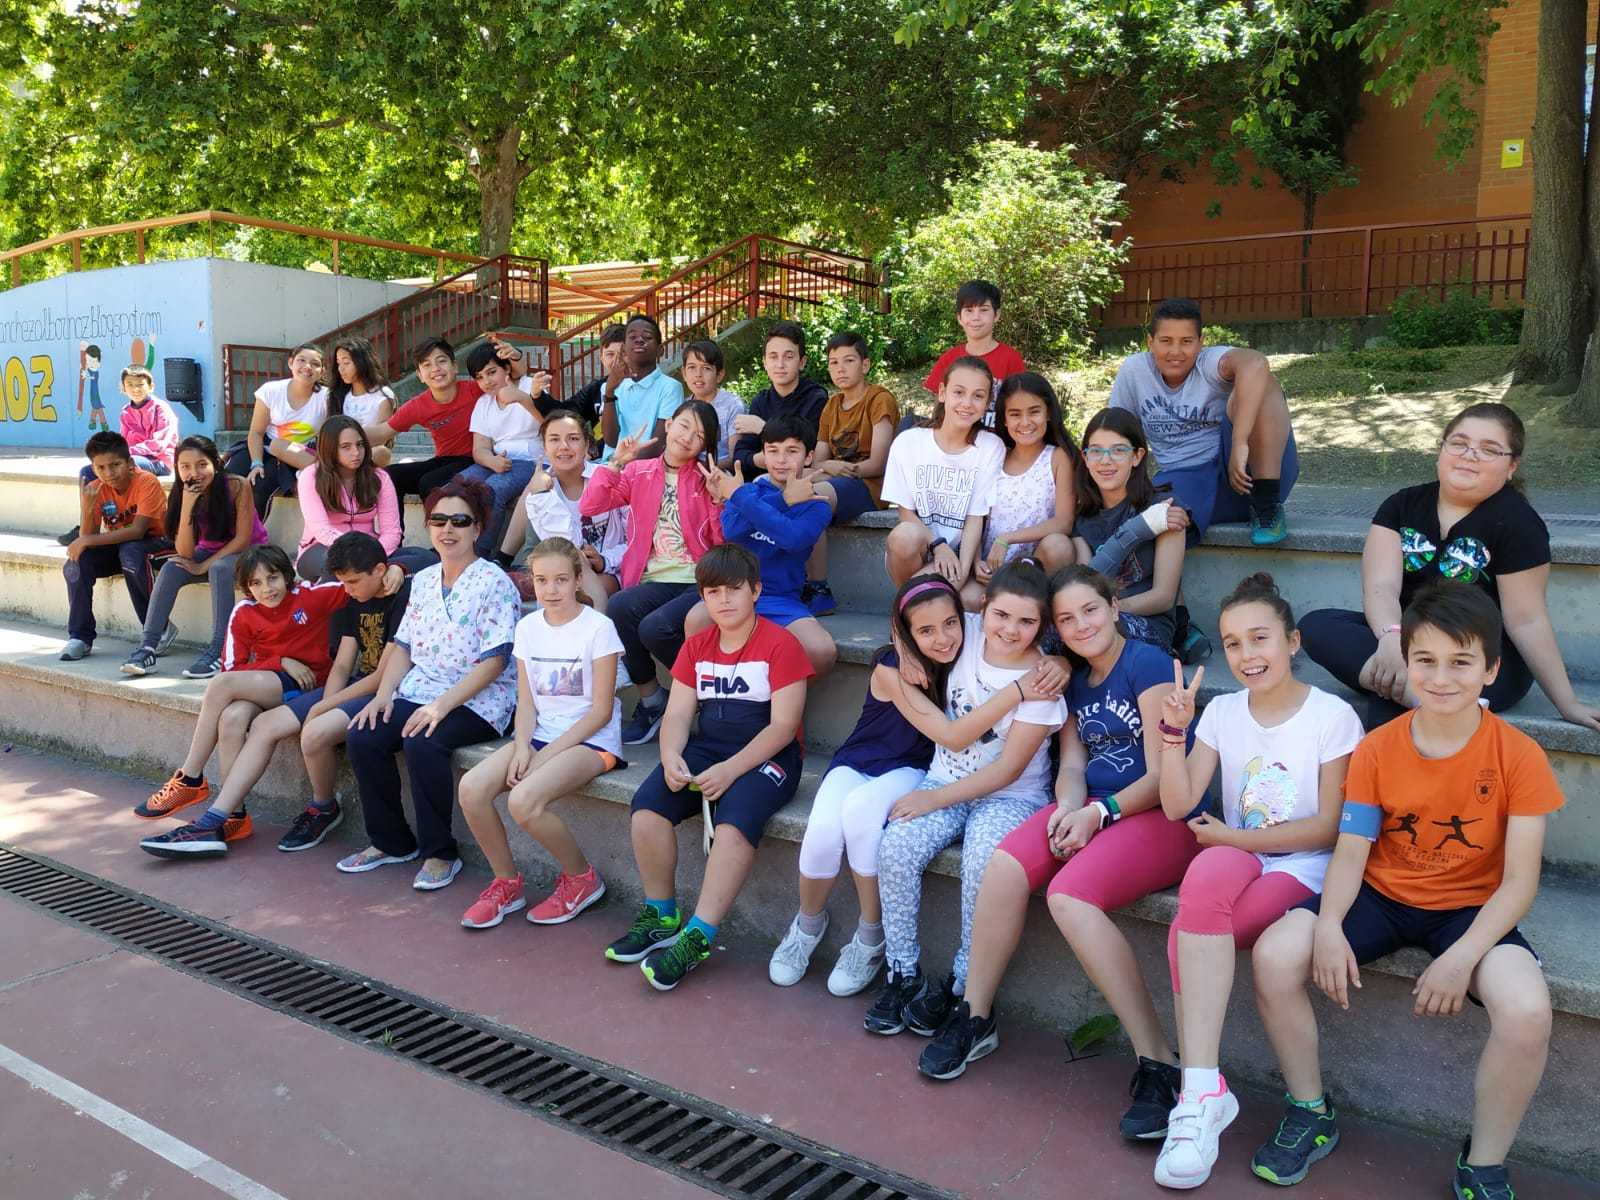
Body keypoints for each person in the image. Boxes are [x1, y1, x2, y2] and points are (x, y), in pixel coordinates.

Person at [1249, 584, 1561, 1198]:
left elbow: (1520, 881)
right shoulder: (1377, 749)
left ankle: (1483, 1163)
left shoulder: (1520, 757)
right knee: (1276, 953)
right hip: (1380, 895)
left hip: (1470, 909)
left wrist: (1463, 957)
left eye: (1460, 662)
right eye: (1426, 660)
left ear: (1491, 669)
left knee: (1527, 1010)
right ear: (1407, 663)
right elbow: (1352, 849)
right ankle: (1310, 1110)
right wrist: (1330, 925)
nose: (1441, 678)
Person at [922, 567, 1197, 1115]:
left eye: (1091, 610)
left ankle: (1159, 1060)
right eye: (1067, 619)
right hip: (1091, 805)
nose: (1081, 625)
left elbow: (1165, 775)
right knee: (1005, 862)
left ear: (1114, 607)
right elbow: (1073, 762)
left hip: (1159, 815)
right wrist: (1069, 806)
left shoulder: (1147, 665)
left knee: (1068, 896)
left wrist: (1099, 812)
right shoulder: (1069, 678)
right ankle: (975, 1015)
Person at [1148, 574, 1362, 1189]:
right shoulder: (1220, 711)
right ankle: (1202, 1090)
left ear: (1292, 641)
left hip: (1302, 865)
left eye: (1260, 638)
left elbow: (1327, 828)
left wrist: (1233, 839)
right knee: (1205, 875)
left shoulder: (1332, 716)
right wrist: (1173, 732)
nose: (1247, 655)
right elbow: (1177, 805)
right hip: (1241, 854)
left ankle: (1198, 1095)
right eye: (1233, 643)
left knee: (1187, 933)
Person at [769, 573, 1061, 997]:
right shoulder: (897, 663)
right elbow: (954, 735)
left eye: (950, 624)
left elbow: (949, 609)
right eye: (924, 631)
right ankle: (816, 929)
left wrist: (1058, 664)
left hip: (929, 772)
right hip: (879, 760)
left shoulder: (978, 639)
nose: (942, 638)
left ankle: (895, 947)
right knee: (825, 831)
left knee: (873, 818)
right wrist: (1017, 689)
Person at [1299, 401, 1599, 734]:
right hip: (1409, 638)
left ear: (1511, 465)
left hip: (1480, 656)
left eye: (1489, 450)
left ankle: (1415, 692)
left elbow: (1526, 620)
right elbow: (1382, 587)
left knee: (1393, 689)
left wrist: (1567, 703)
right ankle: (1433, 697)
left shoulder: (1518, 523)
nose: (1470, 455)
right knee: (1318, 626)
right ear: (1441, 449)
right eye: (1459, 443)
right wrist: (1391, 639)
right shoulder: (1402, 506)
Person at [864, 561, 1067, 1040]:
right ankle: (902, 971)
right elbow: (916, 607)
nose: (1010, 630)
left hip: (1009, 798)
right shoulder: (965, 632)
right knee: (895, 847)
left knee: (981, 863)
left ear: (1043, 626)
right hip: (944, 780)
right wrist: (903, 646)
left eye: (1027, 621)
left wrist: (932, 800)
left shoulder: (1042, 682)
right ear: (982, 608)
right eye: (1001, 615)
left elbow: (1007, 770)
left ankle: (961, 981)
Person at [602, 544, 814, 991]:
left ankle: (698, 936)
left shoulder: (781, 644)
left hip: (769, 756)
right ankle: (661, 916)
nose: (724, 600)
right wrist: (669, 755)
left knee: (735, 824)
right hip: (709, 747)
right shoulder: (697, 646)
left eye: (734, 589)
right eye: (713, 592)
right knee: (648, 808)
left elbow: (783, 727)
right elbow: (678, 714)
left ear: (755, 591)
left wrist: (732, 770)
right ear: (701, 597)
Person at [138, 535, 408, 858]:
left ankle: (191, 778)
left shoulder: (320, 595)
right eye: (256, 583)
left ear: (287, 575)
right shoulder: (244, 612)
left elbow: (375, 573)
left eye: (273, 578)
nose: (267, 588)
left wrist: (398, 567)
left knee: (221, 686)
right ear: (246, 588)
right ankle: (231, 817)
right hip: (273, 683)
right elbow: (234, 668)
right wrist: (281, 662)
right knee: (233, 715)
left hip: (314, 685)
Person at [338, 480, 519, 890]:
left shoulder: (494, 582)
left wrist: (441, 706)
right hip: (422, 689)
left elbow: (495, 661)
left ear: (478, 529)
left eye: (460, 521)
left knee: (423, 739)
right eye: (439, 520)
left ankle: (440, 852)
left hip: (480, 699)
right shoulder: (421, 580)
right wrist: (383, 696)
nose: (448, 529)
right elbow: (403, 646)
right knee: (364, 733)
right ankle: (391, 842)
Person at [457, 537, 627, 929]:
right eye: (541, 580)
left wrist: (545, 756)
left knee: (524, 801)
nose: (550, 590)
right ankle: (506, 884)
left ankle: (582, 879)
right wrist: (521, 747)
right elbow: (527, 703)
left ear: (578, 580)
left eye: (561, 580)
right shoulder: (528, 627)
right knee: (471, 788)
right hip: (539, 735)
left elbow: (601, 712)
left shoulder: (598, 628)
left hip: (592, 740)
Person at [581, 399, 723, 745]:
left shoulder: (707, 479)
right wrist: (616, 463)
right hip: (652, 579)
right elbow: (591, 505)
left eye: (699, 435)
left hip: (696, 580)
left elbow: (722, 541)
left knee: (655, 628)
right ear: (669, 424)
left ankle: (706, 695)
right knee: (618, 608)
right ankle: (653, 700)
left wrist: (720, 499)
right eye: (684, 425)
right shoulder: (639, 472)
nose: (688, 437)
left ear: (705, 445)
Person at [1108, 297, 1298, 546]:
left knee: (1265, 383)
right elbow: (1115, 433)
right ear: (1150, 342)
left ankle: (1268, 508)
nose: (1176, 351)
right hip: (1185, 478)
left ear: (1201, 343)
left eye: (1186, 341)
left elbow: (1256, 362)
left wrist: (1240, 442)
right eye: (1166, 341)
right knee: (1156, 519)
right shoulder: (1135, 370)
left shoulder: (1210, 363)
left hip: (1248, 472)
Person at [696, 415, 837, 675]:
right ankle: (710, 691)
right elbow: (732, 530)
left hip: (781, 599)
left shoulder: (817, 505)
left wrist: (740, 497)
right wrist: (783, 500)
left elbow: (791, 539)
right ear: (763, 454)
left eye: (791, 451)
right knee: (695, 619)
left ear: (808, 457)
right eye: (773, 451)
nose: (781, 459)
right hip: (734, 591)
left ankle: (777, 695)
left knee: (821, 651)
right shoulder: (749, 492)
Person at [120, 436, 268, 680]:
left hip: (249, 552)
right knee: (171, 568)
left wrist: (204, 565)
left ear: (215, 464)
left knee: (219, 568)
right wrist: (188, 505)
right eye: (185, 466)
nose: (194, 473)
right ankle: (147, 647)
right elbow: (185, 553)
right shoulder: (182, 493)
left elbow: (242, 539)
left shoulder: (237, 486)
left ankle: (219, 649)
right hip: (208, 552)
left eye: (202, 465)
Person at [881, 356, 1006, 592]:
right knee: (903, 536)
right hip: (919, 547)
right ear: (942, 393)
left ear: (988, 401)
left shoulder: (990, 447)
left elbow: (975, 516)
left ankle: (909, 606)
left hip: (961, 551)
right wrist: (938, 545)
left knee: (969, 598)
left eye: (978, 396)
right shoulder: (908, 442)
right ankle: (907, 604)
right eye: (959, 392)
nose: (967, 403)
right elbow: (906, 514)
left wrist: (963, 569)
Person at [1071, 408, 1189, 654]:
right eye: (1096, 451)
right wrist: (1137, 529)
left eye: (1118, 450)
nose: (1105, 460)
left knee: (1094, 630)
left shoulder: (1164, 508)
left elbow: (1163, 596)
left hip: (1147, 623)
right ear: (1085, 458)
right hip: (1096, 619)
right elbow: (1086, 587)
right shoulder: (1083, 518)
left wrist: (1108, 612)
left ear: (1137, 456)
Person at [804, 331, 900, 616]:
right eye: (834, 363)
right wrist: (829, 467)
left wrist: (834, 467)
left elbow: (878, 463)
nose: (840, 369)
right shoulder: (832, 405)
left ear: (865, 364)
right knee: (784, 488)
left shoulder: (879, 399)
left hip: (870, 485)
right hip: (837, 479)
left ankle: (819, 588)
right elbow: (819, 460)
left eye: (849, 360)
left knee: (812, 498)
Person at [965, 372, 1078, 612]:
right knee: (966, 600)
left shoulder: (1057, 457)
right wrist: (975, 561)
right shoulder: (996, 455)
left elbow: (1064, 522)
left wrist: (1008, 538)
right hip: (992, 567)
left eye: (1034, 412)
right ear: (1004, 419)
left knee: (1059, 545)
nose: (1025, 422)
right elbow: (977, 515)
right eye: (1015, 414)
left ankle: (1041, 613)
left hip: (1035, 567)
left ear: (1048, 413)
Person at [496, 410, 626, 612]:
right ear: (544, 447)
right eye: (554, 439)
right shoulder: (539, 493)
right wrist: (541, 495)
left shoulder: (609, 480)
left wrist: (604, 560)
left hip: (610, 571)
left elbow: (633, 541)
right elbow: (565, 546)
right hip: (559, 576)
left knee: (577, 593)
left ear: (587, 445)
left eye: (573, 438)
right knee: (565, 585)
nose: (564, 446)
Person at [58, 431, 172, 663]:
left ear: (129, 463)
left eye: (115, 465)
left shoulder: (146, 481)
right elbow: (87, 536)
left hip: (160, 544)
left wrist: (85, 540)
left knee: (131, 551)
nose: (108, 473)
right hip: (123, 548)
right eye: (100, 467)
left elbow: (137, 531)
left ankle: (158, 628)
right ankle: (80, 636)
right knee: (79, 561)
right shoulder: (96, 488)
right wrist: (87, 508)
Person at [365, 338, 513, 507]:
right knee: (389, 476)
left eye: (441, 361)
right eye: (427, 365)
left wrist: (515, 357)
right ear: (420, 375)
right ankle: (393, 525)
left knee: (430, 483)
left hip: (476, 459)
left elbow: (508, 377)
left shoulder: (475, 389)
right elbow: (382, 432)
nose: (435, 369)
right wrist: (346, 432)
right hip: (444, 460)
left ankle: (439, 522)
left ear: (455, 367)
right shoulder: (418, 406)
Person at [61, 367, 179, 543]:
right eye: (130, 385)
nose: (135, 389)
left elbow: (159, 443)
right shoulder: (126, 411)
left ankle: (131, 519)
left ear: (151, 386)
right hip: (134, 455)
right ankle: (87, 521)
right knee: (88, 471)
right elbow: (122, 441)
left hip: (158, 459)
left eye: (140, 384)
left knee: (124, 464)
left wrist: (126, 454)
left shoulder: (161, 409)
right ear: (123, 388)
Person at [455, 341, 546, 554]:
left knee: (492, 489)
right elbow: (480, 448)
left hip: (531, 460)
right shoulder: (484, 403)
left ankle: (479, 553)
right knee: (457, 485)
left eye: (491, 372)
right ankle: (455, 545)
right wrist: (491, 461)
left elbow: (551, 422)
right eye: (479, 377)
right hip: (497, 460)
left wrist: (522, 399)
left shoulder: (529, 386)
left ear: (506, 368)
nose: (486, 381)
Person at [294, 415, 405, 581]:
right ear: (330, 449)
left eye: (360, 445)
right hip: (321, 548)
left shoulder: (379, 478)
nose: (356, 453)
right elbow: (322, 530)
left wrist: (372, 553)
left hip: (369, 549)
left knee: (420, 558)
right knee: (337, 566)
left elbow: (392, 532)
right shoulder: (311, 477)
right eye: (346, 447)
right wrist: (357, 552)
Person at [225, 344, 329, 518]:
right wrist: (256, 463)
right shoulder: (271, 390)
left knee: (261, 485)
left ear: (322, 371)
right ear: (291, 363)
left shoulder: (327, 397)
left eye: (315, 364)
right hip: (265, 446)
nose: (307, 367)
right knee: (230, 478)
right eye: (301, 360)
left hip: (295, 454)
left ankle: (253, 531)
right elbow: (256, 432)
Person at [729, 322, 829, 479]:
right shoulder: (760, 401)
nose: (780, 364)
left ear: (802, 362)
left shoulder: (816, 399)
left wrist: (764, 429)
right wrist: (764, 460)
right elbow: (740, 456)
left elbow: (807, 451)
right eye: (773, 357)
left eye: (788, 357)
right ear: (765, 362)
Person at [921, 280, 1026, 419]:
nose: (976, 317)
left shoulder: (1011, 358)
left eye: (984, 310)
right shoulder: (949, 358)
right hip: (956, 431)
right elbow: (939, 409)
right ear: (959, 317)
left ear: (996, 315)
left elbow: (1020, 406)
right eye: (969, 310)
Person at [599, 314, 683, 459]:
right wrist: (609, 392)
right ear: (624, 350)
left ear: (660, 350)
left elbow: (657, 444)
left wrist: (622, 464)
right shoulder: (610, 386)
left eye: (647, 337)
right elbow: (610, 440)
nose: (639, 340)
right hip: (610, 464)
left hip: (645, 467)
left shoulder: (670, 388)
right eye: (632, 337)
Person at [327, 336, 396, 467]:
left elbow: (383, 437)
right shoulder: (338, 395)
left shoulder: (382, 395)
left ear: (362, 362)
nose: (341, 369)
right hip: (339, 453)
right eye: (338, 363)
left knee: (381, 452)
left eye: (346, 363)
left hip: (369, 453)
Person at [681, 339, 745, 464]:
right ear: (684, 373)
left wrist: (703, 469)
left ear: (719, 375)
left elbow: (734, 458)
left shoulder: (733, 405)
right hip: (688, 471)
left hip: (722, 471)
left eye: (706, 368)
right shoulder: (683, 407)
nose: (698, 374)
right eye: (692, 367)